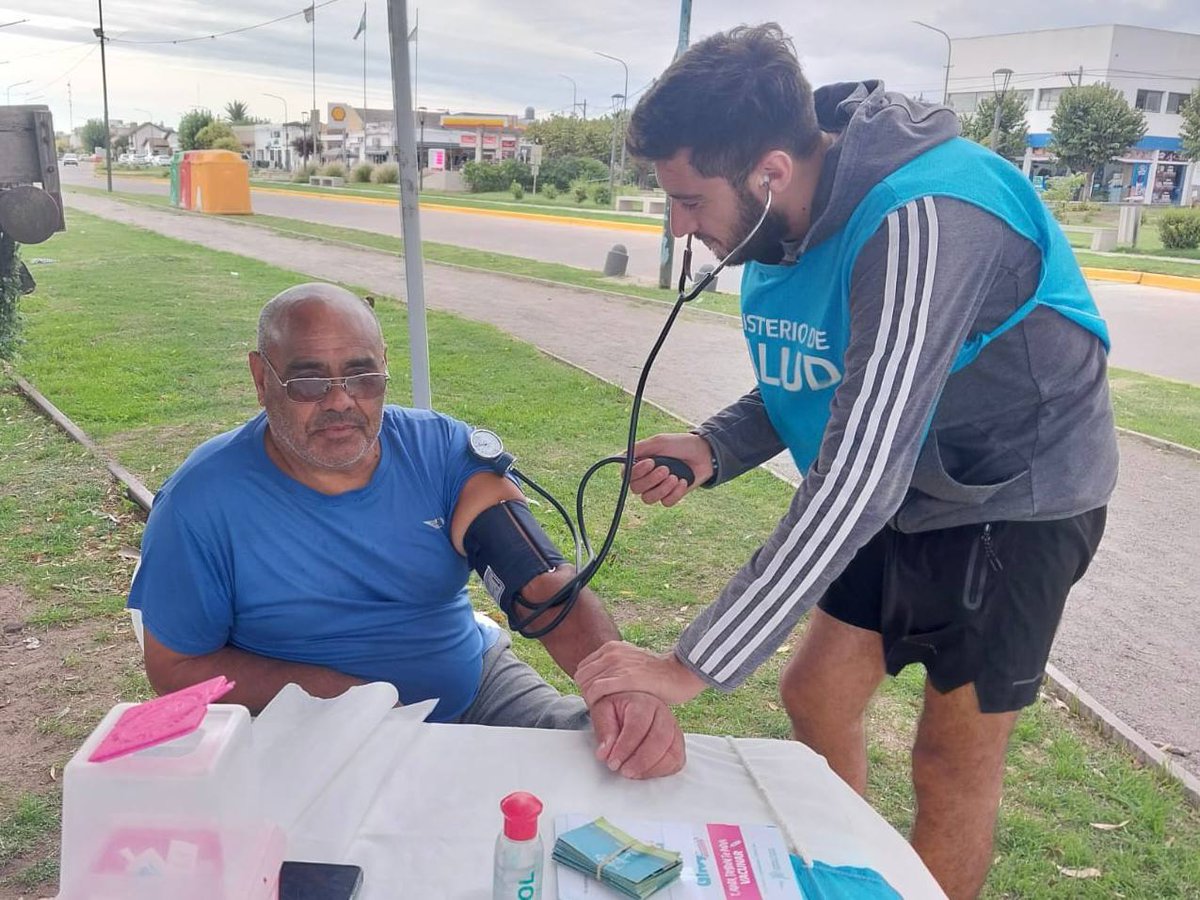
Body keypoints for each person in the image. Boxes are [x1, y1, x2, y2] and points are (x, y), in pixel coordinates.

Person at [574, 23, 1116, 897]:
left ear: (769, 171)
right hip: (905, 484)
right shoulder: (787, 220)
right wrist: (717, 445)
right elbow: (837, 373)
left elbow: (860, 464)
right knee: (817, 694)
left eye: (688, 199)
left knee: (950, 759)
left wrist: (689, 664)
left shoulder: (923, 218)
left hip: (1016, 496)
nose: (677, 226)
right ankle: (845, 876)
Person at [128, 282, 683, 780]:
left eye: (362, 375)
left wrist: (621, 684)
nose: (341, 401)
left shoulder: (439, 450)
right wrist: (338, 697)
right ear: (260, 377)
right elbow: (177, 667)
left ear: (386, 366)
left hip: (473, 690)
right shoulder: (201, 501)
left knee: (614, 762)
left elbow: (541, 587)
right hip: (305, 729)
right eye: (308, 381)